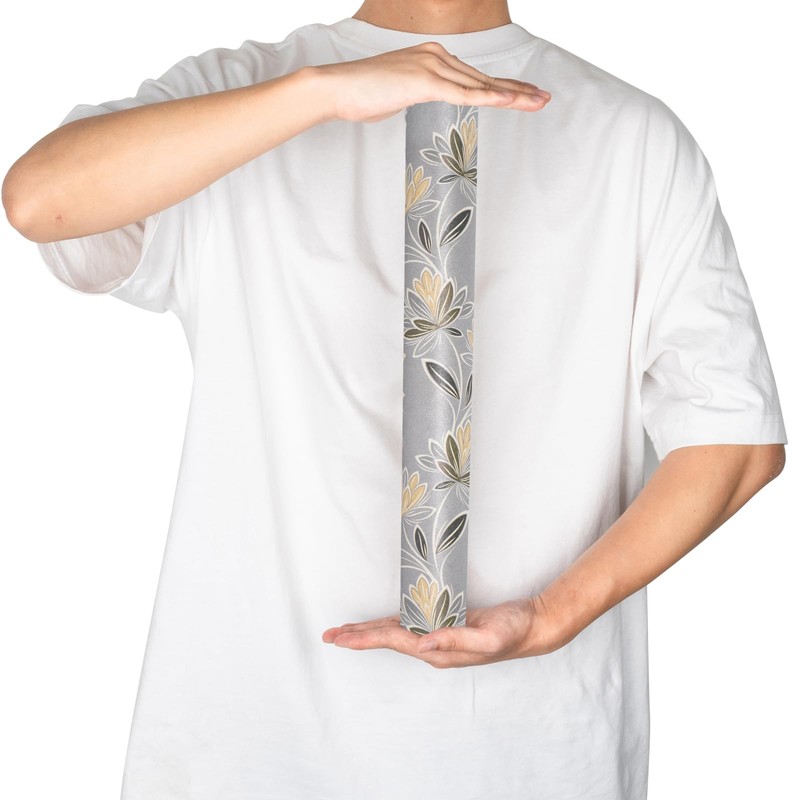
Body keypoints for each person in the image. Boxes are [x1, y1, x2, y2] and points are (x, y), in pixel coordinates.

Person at [1, 1, 788, 798]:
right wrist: (322, 92)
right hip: (244, 747)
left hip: (530, 754)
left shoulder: (634, 137)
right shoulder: (235, 95)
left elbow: (736, 439)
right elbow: (40, 201)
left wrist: (551, 616)